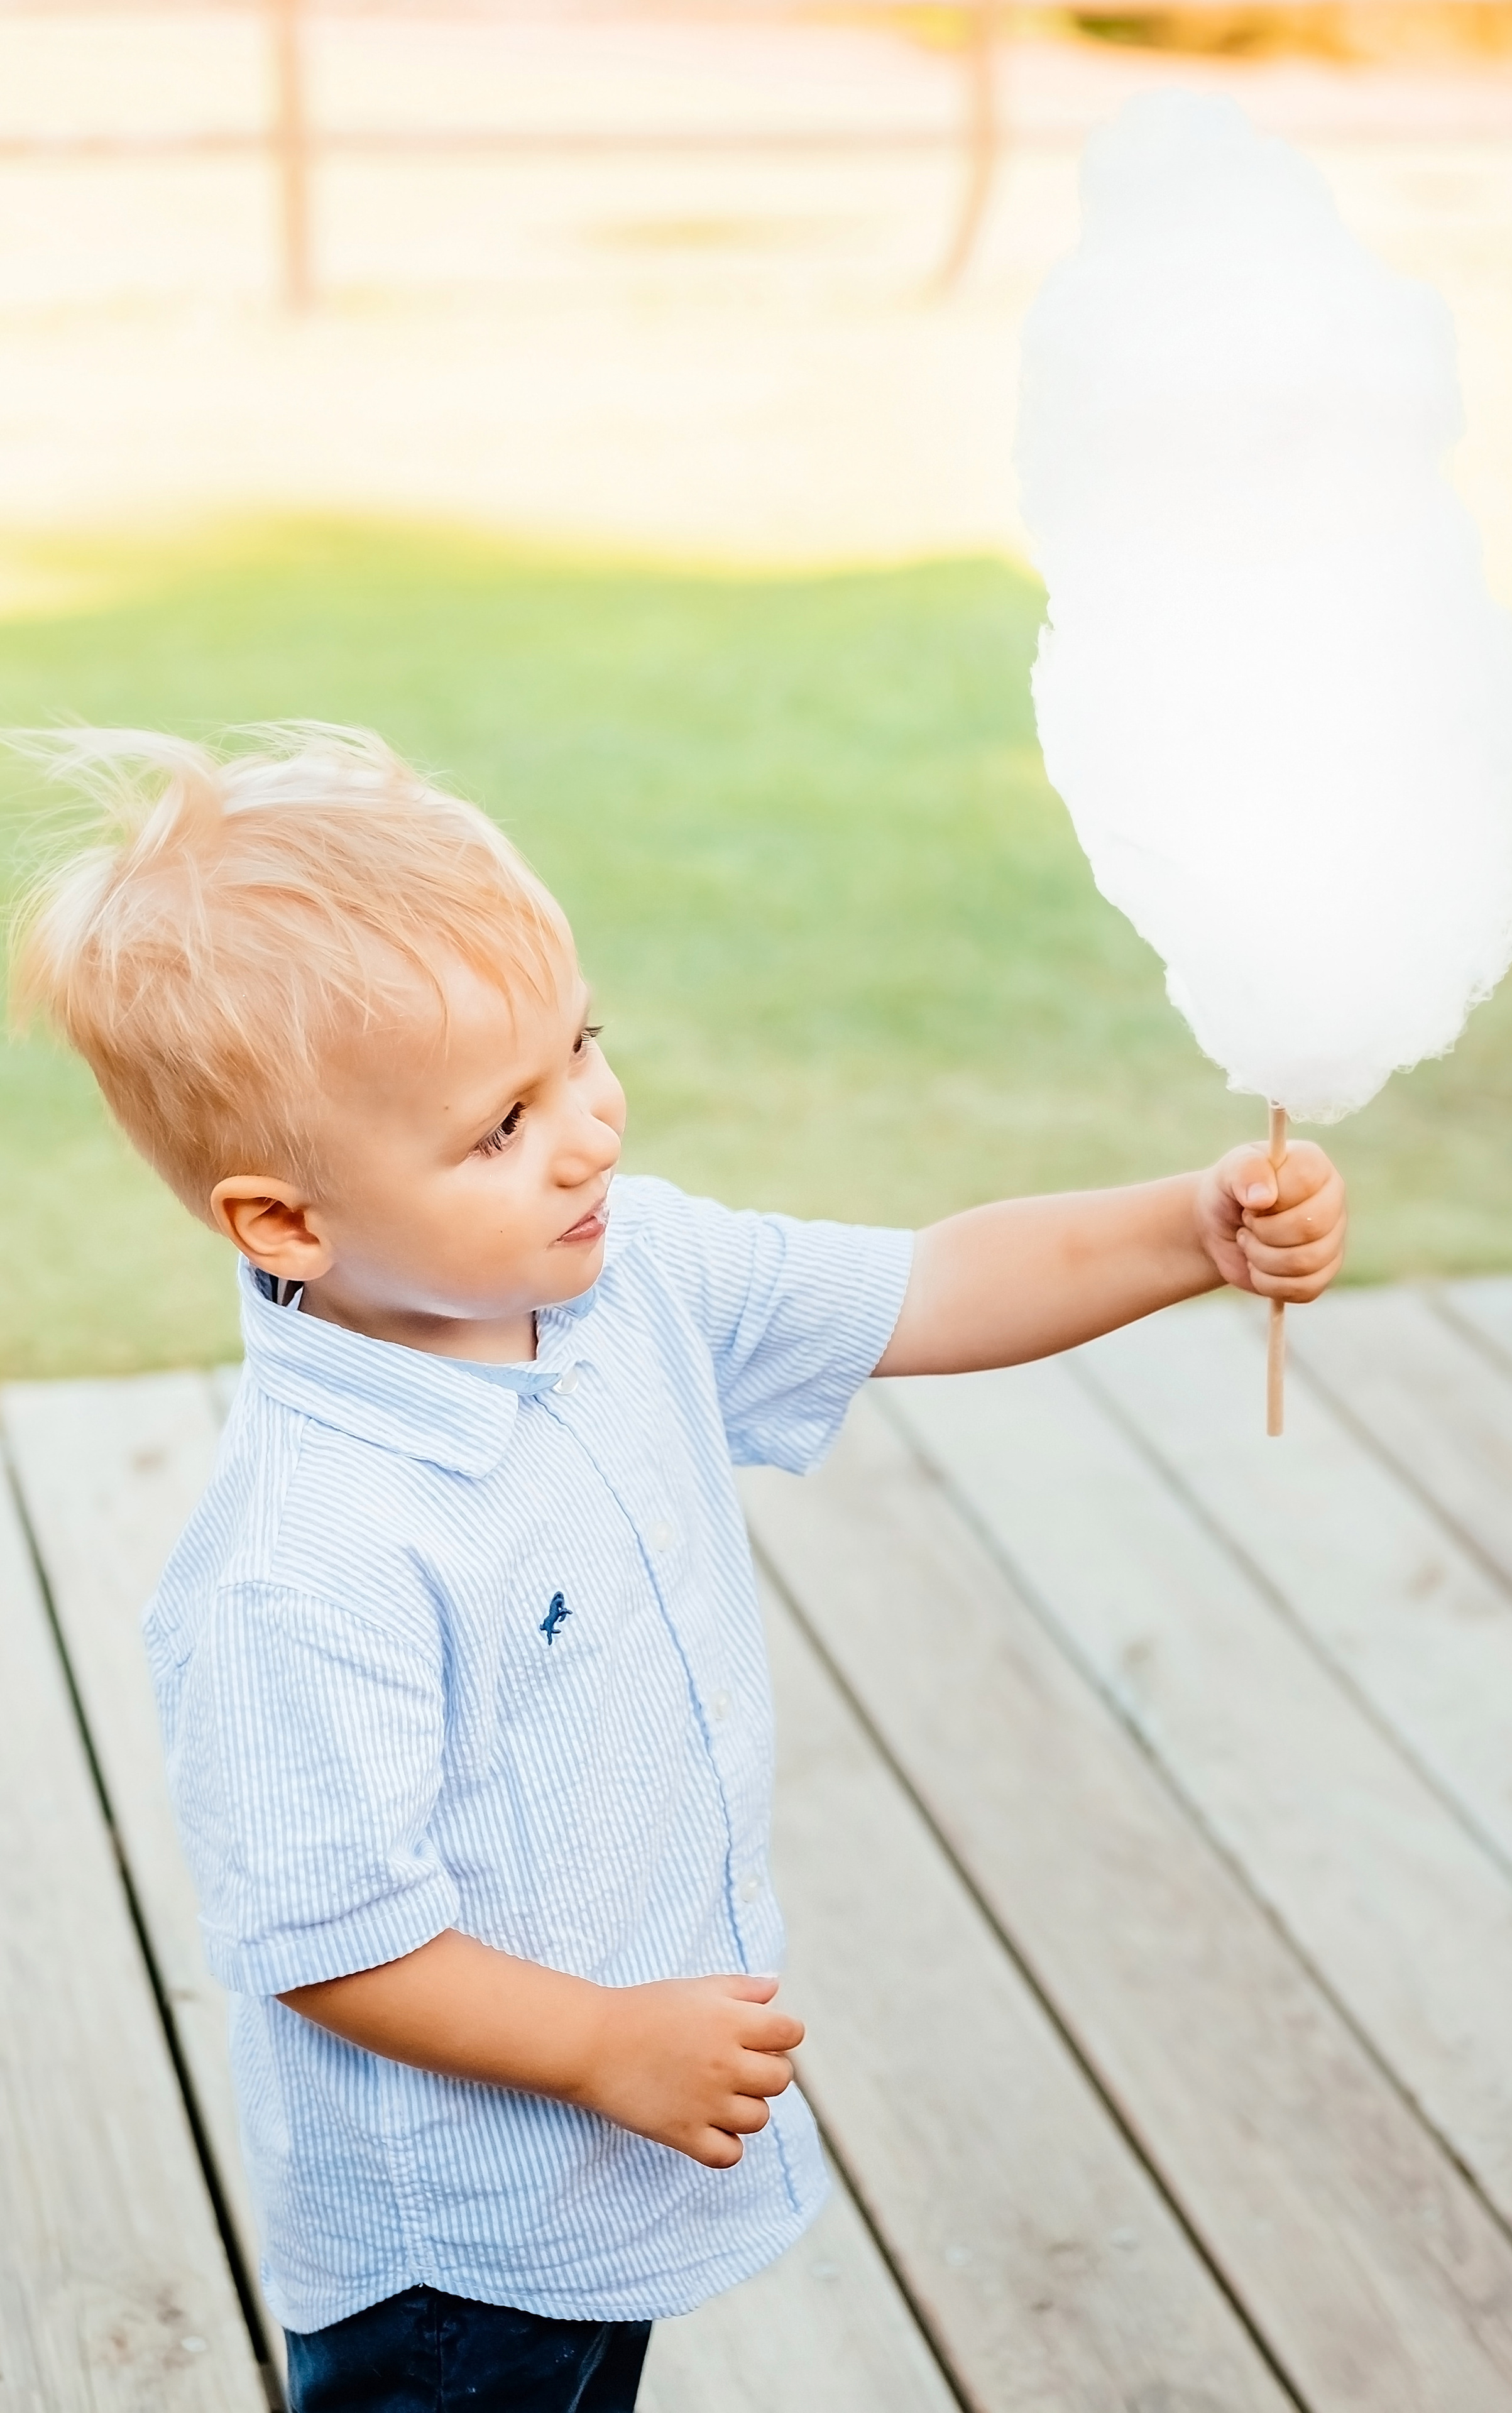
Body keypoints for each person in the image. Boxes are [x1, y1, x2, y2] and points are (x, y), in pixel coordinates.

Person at [11, 725, 1346, 2413]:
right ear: (285, 1224)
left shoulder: (627, 1277)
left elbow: (923, 1290)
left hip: (613, 2151)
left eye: (578, 1050)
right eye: (498, 1125)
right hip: (466, 2234)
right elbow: (330, 1936)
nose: (587, 1132)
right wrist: (603, 2047)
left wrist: (1189, 1232)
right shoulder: (307, 1560)